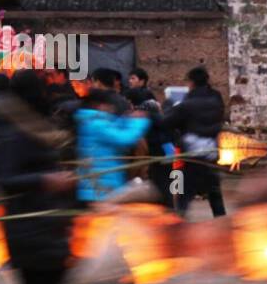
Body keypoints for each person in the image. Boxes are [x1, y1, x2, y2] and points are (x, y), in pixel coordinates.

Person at [0, 70, 77, 284]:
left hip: (48, 228)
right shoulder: (12, 130)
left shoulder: (36, 125)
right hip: (30, 230)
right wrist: (45, 180)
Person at [161, 66, 226, 217]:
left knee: (183, 196)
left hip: (190, 157)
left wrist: (168, 108)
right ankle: (223, 226)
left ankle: (178, 229)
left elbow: (167, 123)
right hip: (210, 154)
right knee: (215, 195)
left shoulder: (186, 104)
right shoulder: (216, 101)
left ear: (191, 82)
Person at [74, 87, 150, 204]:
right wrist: (139, 121)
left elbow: (113, 127)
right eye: (109, 105)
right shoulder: (97, 124)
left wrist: (126, 119)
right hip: (100, 188)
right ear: (99, 105)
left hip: (98, 185)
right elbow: (125, 138)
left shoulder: (92, 121)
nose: (112, 108)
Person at [126, 68, 176, 208]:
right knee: (161, 180)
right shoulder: (149, 111)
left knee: (163, 181)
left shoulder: (145, 112)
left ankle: (169, 209)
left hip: (160, 151)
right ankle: (167, 207)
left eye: (133, 78)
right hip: (162, 150)